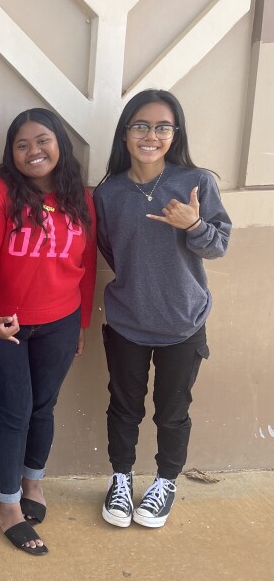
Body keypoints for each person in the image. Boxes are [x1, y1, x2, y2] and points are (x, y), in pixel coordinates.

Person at [95, 89, 230, 528]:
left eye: (162, 127)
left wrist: (194, 226)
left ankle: (165, 481)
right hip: (127, 321)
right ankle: (121, 478)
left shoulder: (195, 182)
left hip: (183, 322)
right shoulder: (109, 192)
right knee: (124, 407)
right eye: (140, 125)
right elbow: (112, 251)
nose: (150, 135)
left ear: (175, 133)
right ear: (125, 133)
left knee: (173, 410)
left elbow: (219, 244)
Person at [0, 109, 96, 555]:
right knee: (14, 411)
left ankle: (32, 482)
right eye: (22, 145)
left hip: (60, 320)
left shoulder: (80, 197)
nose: (33, 151)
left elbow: (86, 266)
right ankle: (6, 505)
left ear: (60, 142)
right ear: (11, 153)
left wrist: (80, 323)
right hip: (4, 325)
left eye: (42, 141)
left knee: (44, 406)